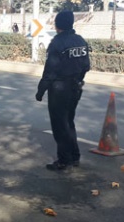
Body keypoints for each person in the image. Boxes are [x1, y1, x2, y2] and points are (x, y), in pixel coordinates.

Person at [35, 10, 90, 171]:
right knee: (69, 121)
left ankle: (64, 160)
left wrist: (41, 91)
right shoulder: (80, 41)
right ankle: (74, 156)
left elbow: (50, 71)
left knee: (60, 125)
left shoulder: (57, 43)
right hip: (76, 87)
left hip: (59, 89)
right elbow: (86, 66)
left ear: (58, 24)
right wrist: (78, 79)